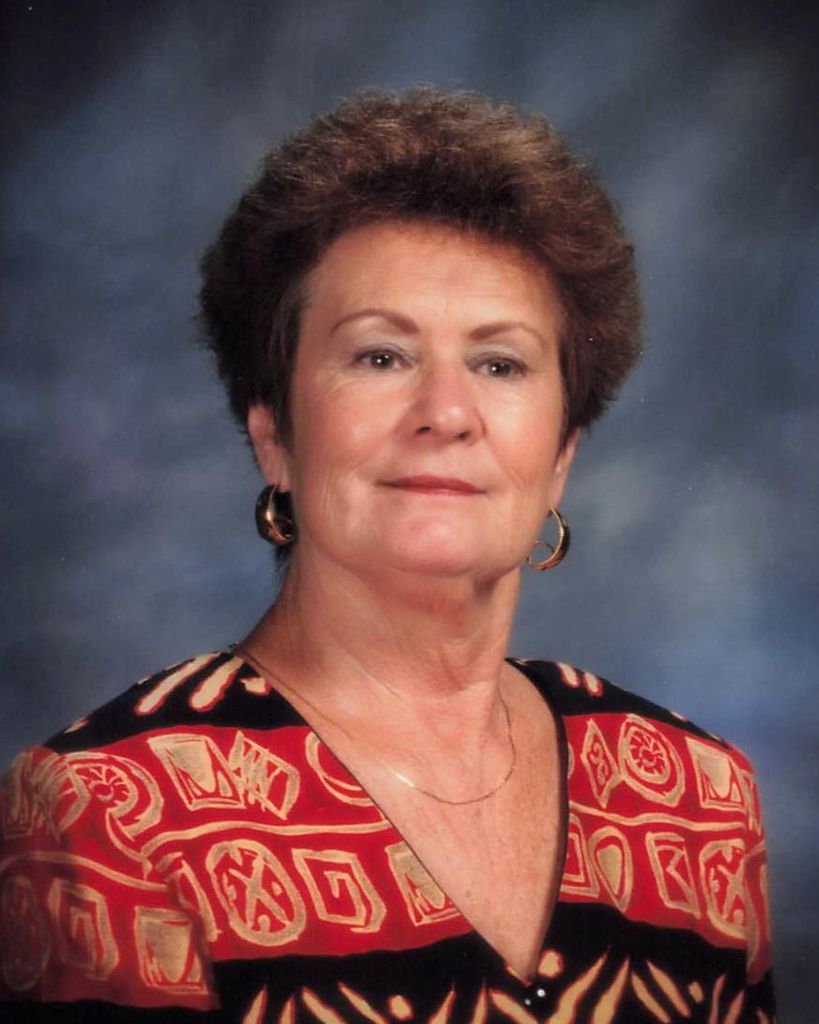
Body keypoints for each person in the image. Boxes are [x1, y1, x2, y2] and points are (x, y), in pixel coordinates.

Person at [0, 88, 775, 1023]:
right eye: (379, 356)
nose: (445, 413)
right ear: (273, 436)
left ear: (561, 454)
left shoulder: (695, 799)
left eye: (499, 364)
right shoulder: (109, 812)